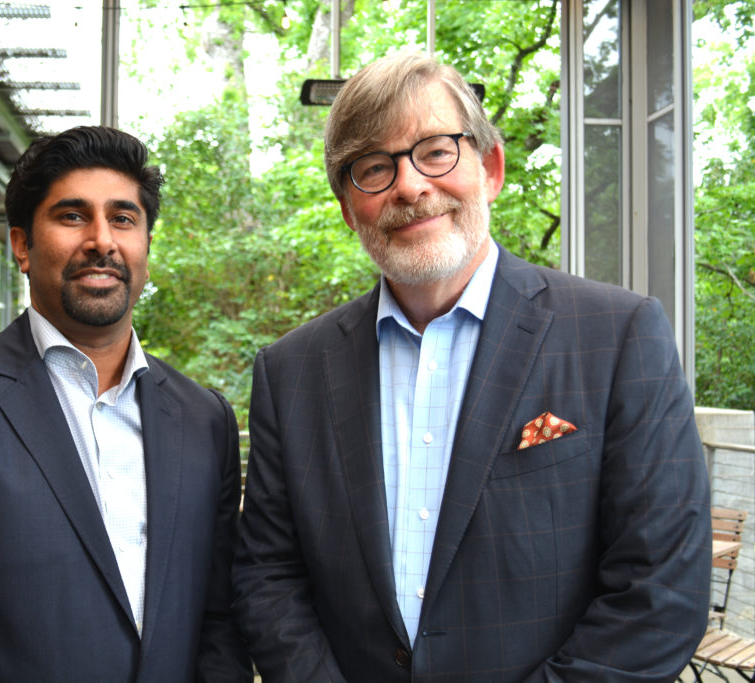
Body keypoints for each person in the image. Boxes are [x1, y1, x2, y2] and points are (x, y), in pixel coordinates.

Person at [232, 51, 711, 681]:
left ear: (490, 168)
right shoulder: (289, 372)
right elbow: (269, 576)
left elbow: (660, 595)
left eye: (435, 151)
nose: (409, 186)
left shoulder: (620, 336)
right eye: (373, 168)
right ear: (350, 210)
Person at [0, 126, 252, 682]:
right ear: (21, 245)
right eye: (73, 216)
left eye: (123, 219)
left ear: (146, 249)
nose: (102, 240)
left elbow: (218, 621)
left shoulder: (205, 420)